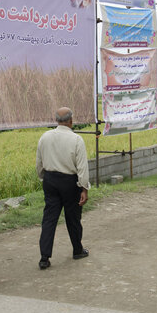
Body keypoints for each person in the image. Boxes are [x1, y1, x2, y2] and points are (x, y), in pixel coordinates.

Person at [36, 107, 90, 269]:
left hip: (50, 180)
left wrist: (43, 178)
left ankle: (44, 257)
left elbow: (39, 162)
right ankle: (77, 250)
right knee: (73, 217)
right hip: (69, 182)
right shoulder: (76, 139)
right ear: (71, 121)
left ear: (56, 121)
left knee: (49, 219)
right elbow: (82, 167)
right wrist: (84, 188)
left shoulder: (45, 137)